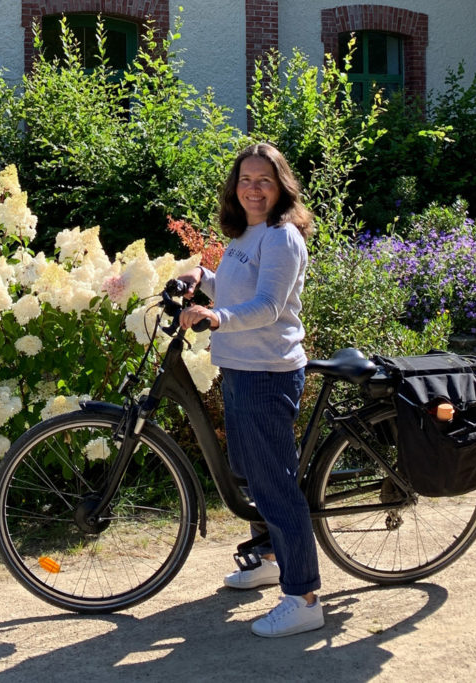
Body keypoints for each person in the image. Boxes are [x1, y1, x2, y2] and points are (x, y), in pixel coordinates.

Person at [177, 142, 322, 638]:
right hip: (240, 368)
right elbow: (237, 292)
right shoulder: (248, 233)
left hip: (267, 372)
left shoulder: (282, 237)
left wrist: (215, 317)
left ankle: (303, 597)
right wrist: (203, 278)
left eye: (264, 180)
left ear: (281, 186)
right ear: (234, 187)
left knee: (275, 485)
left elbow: (267, 307)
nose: (253, 189)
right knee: (248, 473)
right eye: (245, 179)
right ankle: (269, 555)